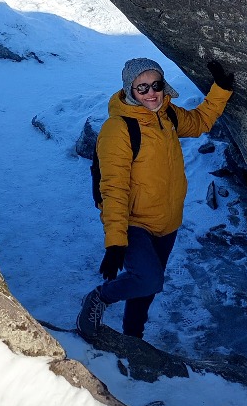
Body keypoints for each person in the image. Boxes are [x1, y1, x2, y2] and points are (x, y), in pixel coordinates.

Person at [77, 57, 235, 342]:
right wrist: (115, 242)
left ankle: (133, 339)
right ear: (130, 91)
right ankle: (100, 297)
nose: (151, 92)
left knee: (145, 289)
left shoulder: (168, 114)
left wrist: (221, 89)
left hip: (167, 222)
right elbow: (112, 188)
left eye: (156, 85)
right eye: (142, 87)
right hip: (134, 223)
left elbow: (199, 121)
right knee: (149, 279)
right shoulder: (119, 129)